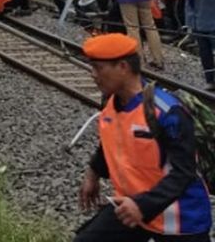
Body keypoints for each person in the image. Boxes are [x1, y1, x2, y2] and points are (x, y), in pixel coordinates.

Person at [75, 33, 211, 242]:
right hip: (132, 209)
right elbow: (112, 142)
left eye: (98, 68)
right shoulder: (110, 103)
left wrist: (143, 205)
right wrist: (93, 173)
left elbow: (184, 173)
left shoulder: (166, 111)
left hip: (179, 221)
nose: (92, 75)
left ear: (123, 67)